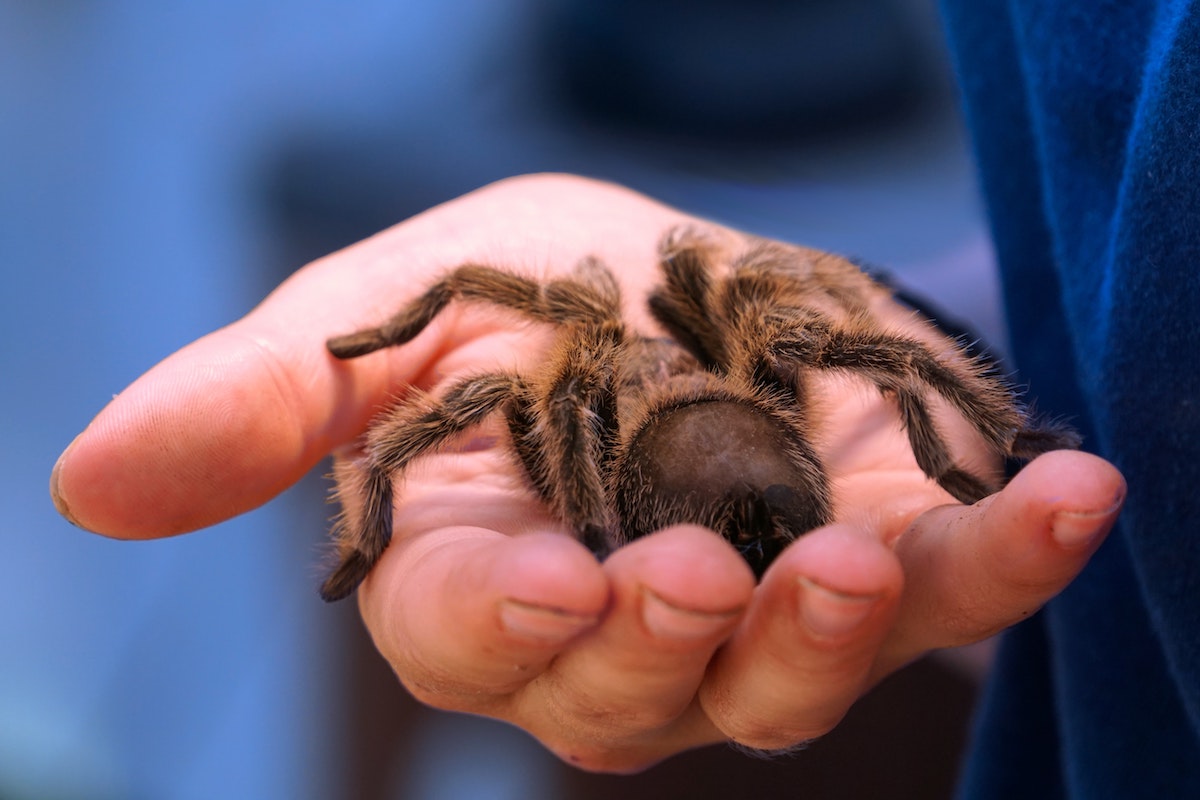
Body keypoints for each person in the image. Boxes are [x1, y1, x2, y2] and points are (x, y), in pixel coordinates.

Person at [49, 2, 1199, 796]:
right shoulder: (754, 355)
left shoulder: (559, 396)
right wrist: (927, 329)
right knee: (784, 317)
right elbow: (1098, 246)